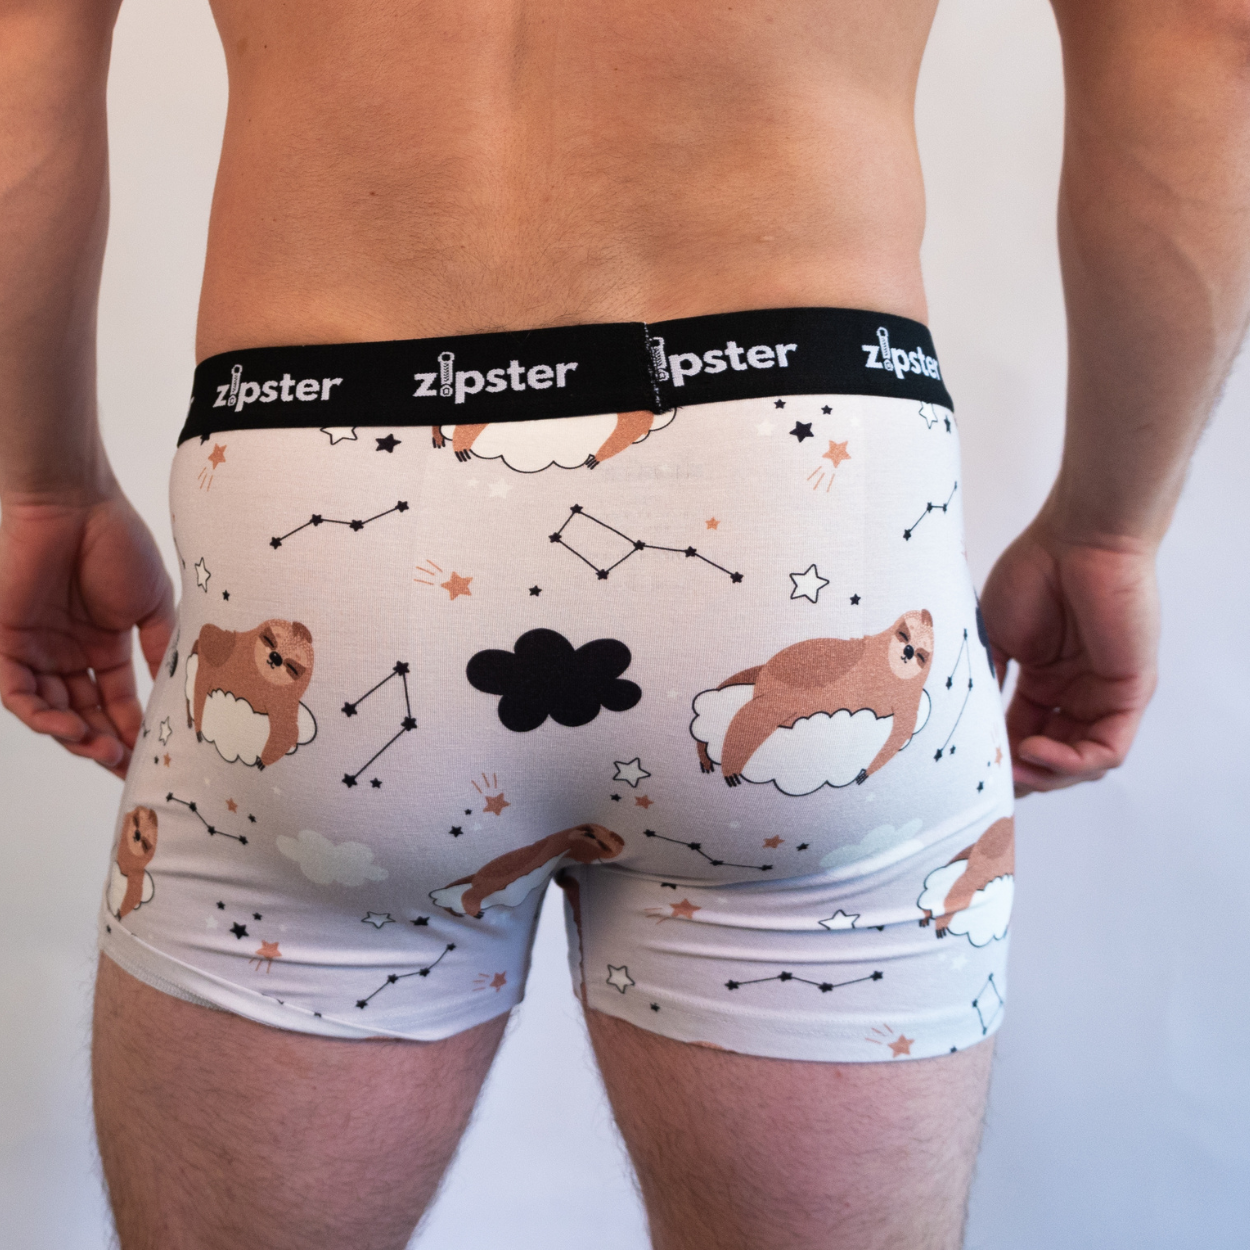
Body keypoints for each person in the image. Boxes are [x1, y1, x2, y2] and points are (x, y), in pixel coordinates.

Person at [1, 0, 1247, 1245]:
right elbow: (1197, 28)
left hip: (315, 477)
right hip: (798, 470)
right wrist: (1107, 528)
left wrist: (37, 485)